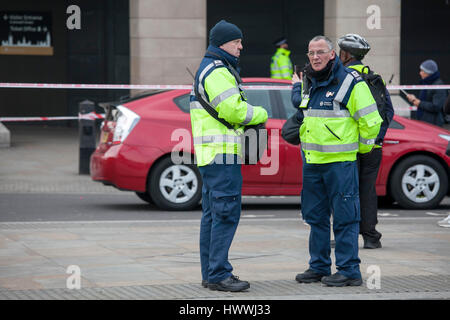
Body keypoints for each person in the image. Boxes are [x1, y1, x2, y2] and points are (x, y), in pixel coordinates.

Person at [291, 35, 382, 287]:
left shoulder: (350, 82)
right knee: (315, 217)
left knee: (345, 217)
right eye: (311, 52)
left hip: (340, 164)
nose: (315, 57)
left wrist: (361, 150)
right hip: (312, 162)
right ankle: (318, 266)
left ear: (333, 54)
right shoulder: (308, 80)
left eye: (320, 52)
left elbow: (371, 121)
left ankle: (349, 270)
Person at [189, 20, 268, 292]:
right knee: (225, 214)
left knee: (213, 215)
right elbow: (233, 111)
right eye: (237, 42)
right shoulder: (217, 71)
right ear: (222, 43)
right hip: (222, 155)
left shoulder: (211, 68)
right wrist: (261, 114)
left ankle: (211, 274)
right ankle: (219, 274)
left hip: (212, 155)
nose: (241, 46)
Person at [337, 33, 395, 249]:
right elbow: (389, 111)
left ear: (345, 54)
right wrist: (377, 137)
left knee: (345, 190)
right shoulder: (374, 78)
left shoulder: (342, 78)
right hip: (373, 147)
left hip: (349, 146)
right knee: (367, 190)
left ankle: (346, 235)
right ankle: (371, 237)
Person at [406, 59, 447, 127]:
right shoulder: (426, 83)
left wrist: (419, 103)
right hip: (424, 122)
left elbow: (436, 106)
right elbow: (425, 101)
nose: (420, 73)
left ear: (428, 72)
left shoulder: (438, 86)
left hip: (434, 124)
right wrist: (414, 99)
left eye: (422, 71)